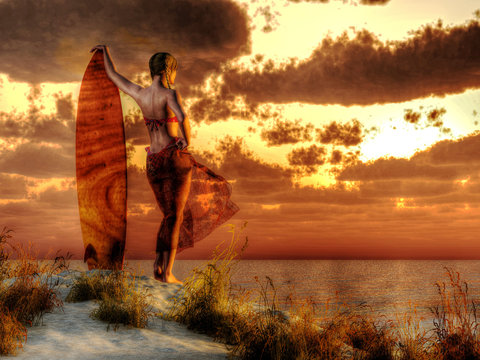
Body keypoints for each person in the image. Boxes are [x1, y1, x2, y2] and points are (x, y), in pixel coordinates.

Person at [90, 45, 239, 284]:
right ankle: (166, 273)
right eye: (174, 70)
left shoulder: (140, 93)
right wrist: (186, 140)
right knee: (175, 216)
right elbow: (183, 118)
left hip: (153, 163)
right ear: (168, 70)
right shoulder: (170, 94)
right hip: (172, 158)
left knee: (168, 215)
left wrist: (105, 52)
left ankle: (159, 268)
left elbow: (114, 76)